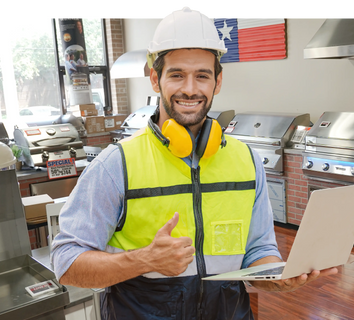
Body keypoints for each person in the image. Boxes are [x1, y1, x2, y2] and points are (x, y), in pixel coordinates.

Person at [50, 5, 337, 319]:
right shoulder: (116, 165)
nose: (190, 88)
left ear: (218, 81)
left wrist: (277, 277)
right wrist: (143, 260)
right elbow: (67, 264)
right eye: (177, 75)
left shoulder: (246, 160)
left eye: (202, 75)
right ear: (155, 79)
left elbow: (258, 252)